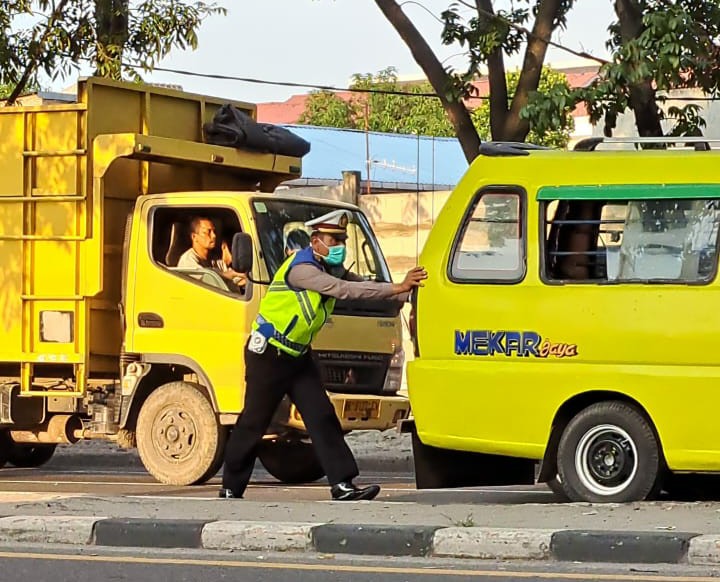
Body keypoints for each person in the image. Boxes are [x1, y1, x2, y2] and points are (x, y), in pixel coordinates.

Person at [220, 209, 427, 501]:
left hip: (298, 356)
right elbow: (345, 291)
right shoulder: (302, 269)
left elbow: (363, 285)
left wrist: (407, 292)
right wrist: (398, 286)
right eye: (334, 240)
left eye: (342, 239)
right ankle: (231, 486)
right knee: (254, 421)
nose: (339, 246)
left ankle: (342, 484)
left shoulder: (329, 267)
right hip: (269, 354)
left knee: (321, 416)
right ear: (316, 241)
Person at [178, 217, 245, 290]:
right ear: (194, 237)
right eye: (208, 232)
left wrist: (243, 278)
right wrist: (225, 275)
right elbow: (204, 281)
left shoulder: (215, 260)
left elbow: (233, 277)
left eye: (214, 231)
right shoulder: (188, 260)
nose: (214, 236)